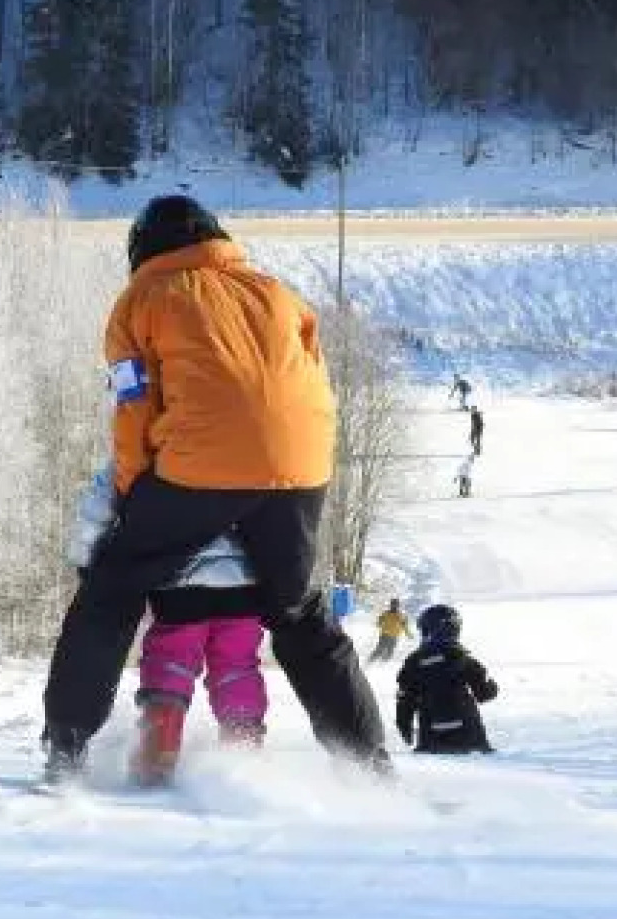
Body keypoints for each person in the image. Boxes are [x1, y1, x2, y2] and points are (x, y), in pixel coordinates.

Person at [41, 195, 389, 784]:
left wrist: (134, 499)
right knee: (300, 613)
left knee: (111, 591)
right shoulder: (278, 293)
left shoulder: (142, 300)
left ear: (143, 250)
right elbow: (311, 385)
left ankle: (66, 750)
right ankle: (369, 765)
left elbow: (133, 409)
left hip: (198, 469)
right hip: (300, 467)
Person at [68, 464, 268, 787]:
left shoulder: (163, 434)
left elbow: (104, 493)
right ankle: (242, 755)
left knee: (172, 655)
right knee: (238, 665)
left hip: (181, 576)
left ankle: (159, 745)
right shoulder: (255, 441)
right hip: (244, 582)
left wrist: (86, 558)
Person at [395, 605, 498, 755]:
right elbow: (485, 694)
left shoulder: (413, 662)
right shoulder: (461, 657)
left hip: (430, 738)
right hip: (468, 736)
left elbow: (405, 700)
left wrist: (405, 729)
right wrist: (493, 686)